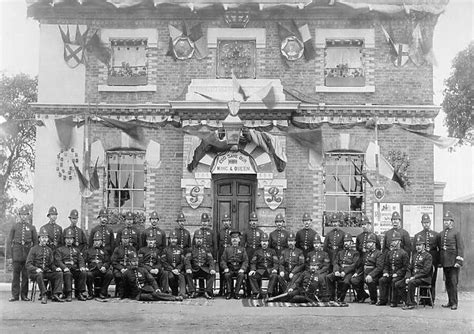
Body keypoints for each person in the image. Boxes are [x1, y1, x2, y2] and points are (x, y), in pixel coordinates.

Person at [26, 227, 64, 304]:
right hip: (35, 273)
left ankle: (56, 294)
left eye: (46, 238)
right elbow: (28, 264)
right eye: (42, 237)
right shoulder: (33, 249)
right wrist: (35, 269)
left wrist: (56, 269)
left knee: (59, 274)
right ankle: (44, 294)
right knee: (39, 274)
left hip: (45, 272)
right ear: (39, 239)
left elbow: (51, 264)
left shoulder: (49, 250)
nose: (44, 239)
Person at [7, 205, 37, 302]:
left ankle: (24, 295)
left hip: (27, 255)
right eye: (22, 214)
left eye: (26, 215)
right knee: (15, 276)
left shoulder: (32, 228)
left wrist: (33, 257)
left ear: (28, 216)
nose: (24, 216)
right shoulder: (15, 226)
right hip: (16, 254)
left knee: (25, 275)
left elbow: (35, 243)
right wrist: (9, 256)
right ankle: (15, 295)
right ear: (19, 215)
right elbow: (9, 241)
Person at [439, 211, 464, 310]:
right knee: (448, 283)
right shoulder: (442, 233)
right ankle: (450, 301)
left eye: (448, 220)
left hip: (453, 263)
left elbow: (460, 247)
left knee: (453, 283)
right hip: (446, 263)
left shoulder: (456, 233)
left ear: (452, 222)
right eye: (445, 220)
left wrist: (459, 261)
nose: (446, 222)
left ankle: (455, 303)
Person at [377, 231, 409, 307]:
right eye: (393, 241)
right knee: (382, 280)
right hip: (390, 274)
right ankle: (382, 300)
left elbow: (405, 267)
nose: (394, 243)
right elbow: (386, 265)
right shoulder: (389, 253)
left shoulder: (404, 253)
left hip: (400, 275)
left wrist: (397, 274)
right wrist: (385, 272)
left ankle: (394, 301)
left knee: (394, 281)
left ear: (400, 242)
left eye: (395, 241)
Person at [400, 235, 433, 310]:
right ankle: (409, 300)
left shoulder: (428, 256)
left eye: (420, 245)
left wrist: (414, 277)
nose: (418, 247)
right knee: (398, 284)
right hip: (414, 278)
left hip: (424, 278)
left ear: (424, 246)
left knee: (411, 283)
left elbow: (426, 271)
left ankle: (410, 304)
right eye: (417, 245)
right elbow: (409, 268)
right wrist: (407, 277)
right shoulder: (415, 255)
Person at [55, 228, 88, 301]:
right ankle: (68, 294)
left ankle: (80, 293)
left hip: (75, 269)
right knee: (68, 274)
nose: (69, 240)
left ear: (73, 240)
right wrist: (64, 267)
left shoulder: (76, 249)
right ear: (64, 240)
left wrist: (82, 266)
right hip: (66, 269)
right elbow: (58, 261)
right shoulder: (60, 249)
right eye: (67, 238)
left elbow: (80, 259)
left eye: (71, 239)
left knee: (83, 272)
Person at [351, 233, 384, 304]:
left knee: (370, 280)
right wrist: (357, 273)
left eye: (370, 242)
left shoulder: (378, 253)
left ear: (374, 243)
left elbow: (379, 267)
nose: (368, 244)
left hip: (374, 274)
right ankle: (363, 295)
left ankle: (373, 299)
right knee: (354, 280)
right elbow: (362, 265)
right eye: (367, 243)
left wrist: (371, 275)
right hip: (364, 273)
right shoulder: (366, 253)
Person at [414, 213, 439, 305]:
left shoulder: (436, 235)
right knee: (421, 277)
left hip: (433, 260)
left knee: (432, 279)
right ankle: (422, 299)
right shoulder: (418, 235)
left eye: (427, 222)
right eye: (424, 222)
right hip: (421, 260)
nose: (426, 224)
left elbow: (438, 249)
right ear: (422, 223)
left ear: (430, 222)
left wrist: (438, 262)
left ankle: (431, 299)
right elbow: (414, 250)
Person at [327, 233, 359, 303]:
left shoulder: (355, 253)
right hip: (339, 270)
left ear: (351, 243)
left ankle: (340, 298)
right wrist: (336, 271)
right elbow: (335, 263)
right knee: (329, 277)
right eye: (345, 242)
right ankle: (331, 297)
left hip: (349, 272)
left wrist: (345, 272)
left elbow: (354, 265)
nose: (346, 243)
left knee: (346, 282)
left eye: (348, 241)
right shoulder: (340, 252)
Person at [185, 230, 216, 299]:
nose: (199, 240)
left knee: (212, 274)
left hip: (204, 269)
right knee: (188, 274)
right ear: (195, 239)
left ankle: (207, 292)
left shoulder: (206, 249)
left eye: (200, 238)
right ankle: (192, 291)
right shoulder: (191, 249)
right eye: (197, 238)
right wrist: (188, 268)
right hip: (195, 270)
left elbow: (211, 260)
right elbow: (187, 260)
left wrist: (212, 269)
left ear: (202, 240)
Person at [84, 231, 113, 300]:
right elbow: (83, 261)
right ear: (93, 241)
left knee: (110, 274)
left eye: (99, 240)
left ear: (101, 242)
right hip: (92, 269)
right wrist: (86, 267)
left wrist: (104, 266)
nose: (97, 242)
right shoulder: (88, 251)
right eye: (96, 240)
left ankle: (102, 292)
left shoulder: (105, 251)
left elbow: (107, 261)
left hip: (101, 269)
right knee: (88, 275)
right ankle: (90, 293)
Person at [248, 232, 279, 299]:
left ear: (268, 242)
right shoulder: (257, 251)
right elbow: (253, 262)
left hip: (270, 270)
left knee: (274, 275)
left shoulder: (272, 251)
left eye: (265, 241)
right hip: (260, 271)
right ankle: (257, 292)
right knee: (251, 275)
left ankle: (269, 293)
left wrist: (275, 269)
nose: (264, 243)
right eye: (262, 241)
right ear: (260, 242)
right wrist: (253, 269)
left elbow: (276, 262)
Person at [138, 229, 170, 294]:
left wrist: (157, 269)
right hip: (145, 269)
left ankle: (166, 291)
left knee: (165, 273)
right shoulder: (142, 250)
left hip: (155, 268)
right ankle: (154, 289)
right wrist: (150, 269)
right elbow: (140, 263)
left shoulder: (157, 251)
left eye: (152, 240)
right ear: (146, 241)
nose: (150, 242)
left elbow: (159, 263)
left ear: (154, 241)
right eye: (149, 240)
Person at [220, 230, 248, 299]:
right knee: (227, 274)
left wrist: (242, 269)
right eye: (233, 238)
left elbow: (245, 260)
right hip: (230, 267)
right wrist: (225, 268)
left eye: (236, 238)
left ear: (239, 239)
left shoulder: (242, 249)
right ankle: (229, 292)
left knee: (241, 275)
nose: (234, 240)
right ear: (231, 240)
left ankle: (236, 292)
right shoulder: (227, 249)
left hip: (239, 268)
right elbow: (223, 260)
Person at [111, 229, 137, 298]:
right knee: (118, 276)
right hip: (119, 268)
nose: (125, 240)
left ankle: (130, 292)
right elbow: (113, 261)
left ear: (129, 239)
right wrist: (121, 268)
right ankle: (121, 293)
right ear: (121, 239)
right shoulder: (117, 249)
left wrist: (128, 269)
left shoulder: (133, 249)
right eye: (124, 238)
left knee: (132, 275)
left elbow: (135, 261)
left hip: (129, 268)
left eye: (127, 238)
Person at [161, 231, 187, 298]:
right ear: (169, 240)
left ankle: (182, 293)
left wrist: (178, 269)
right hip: (169, 270)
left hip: (178, 270)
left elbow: (182, 262)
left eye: (175, 239)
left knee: (181, 276)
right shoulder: (165, 250)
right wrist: (172, 269)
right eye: (172, 239)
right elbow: (164, 262)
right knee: (170, 277)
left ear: (177, 240)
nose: (173, 240)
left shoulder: (180, 250)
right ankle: (174, 291)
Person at [217, 213, 233, 295]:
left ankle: (230, 290)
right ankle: (221, 290)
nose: (226, 222)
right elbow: (217, 244)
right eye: (224, 221)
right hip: (221, 252)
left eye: (227, 221)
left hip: (230, 254)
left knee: (229, 271)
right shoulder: (220, 232)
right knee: (221, 272)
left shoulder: (233, 231)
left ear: (230, 222)